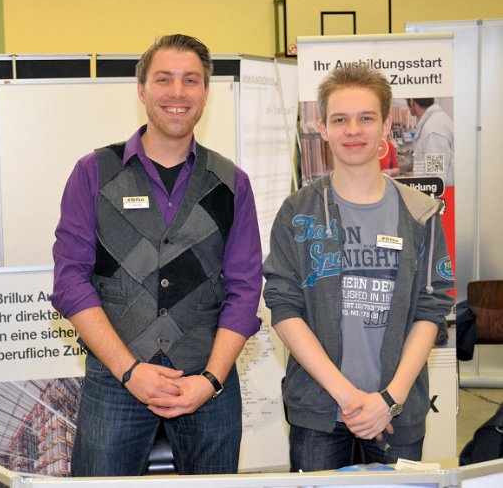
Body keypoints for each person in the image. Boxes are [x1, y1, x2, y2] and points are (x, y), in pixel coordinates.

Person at [51, 34, 262, 476]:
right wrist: (130, 371)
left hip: (207, 383)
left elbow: (244, 291)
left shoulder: (232, 184)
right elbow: (71, 282)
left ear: (206, 92)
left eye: (191, 80)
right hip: (116, 379)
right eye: (164, 79)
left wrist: (210, 380)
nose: (177, 92)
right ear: (141, 89)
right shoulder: (94, 173)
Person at [263, 65, 454, 471]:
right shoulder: (298, 212)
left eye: (366, 118)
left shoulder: (421, 213)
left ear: (385, 125)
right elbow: (284, 307)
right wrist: (347, 396)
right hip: (319, 413)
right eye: (340, 120)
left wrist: (389, 400)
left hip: (396, 413)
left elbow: (431, 309)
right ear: (322, 127)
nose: (353, 130)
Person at [406, 98, 454, 186]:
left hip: (439, 192)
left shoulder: (433, 130)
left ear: (412, 102)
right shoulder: (436, 121)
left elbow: (436, 177)